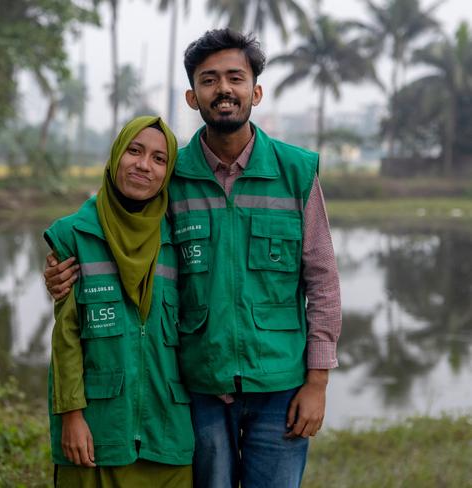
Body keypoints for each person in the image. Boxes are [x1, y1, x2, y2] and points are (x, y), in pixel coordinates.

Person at [45, 29, 341, 488]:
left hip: (280, 384)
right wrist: (64, 270)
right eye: (209, 80)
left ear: (255, 91)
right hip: (199, 384)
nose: (223, 89)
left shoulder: (296, 172)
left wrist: (317, 383)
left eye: (235, 78)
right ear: (192, 96)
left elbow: (323, 280)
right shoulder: (170, 174)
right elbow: (115, 227)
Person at [44, 116, 194, 488]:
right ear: (115, 156)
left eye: (160, 159)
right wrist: (72, 416)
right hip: (96, 433)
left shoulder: (180, 237)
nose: (144, 165)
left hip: (168, 434)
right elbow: (66, 336)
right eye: (135, 151)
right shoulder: (74, 234)